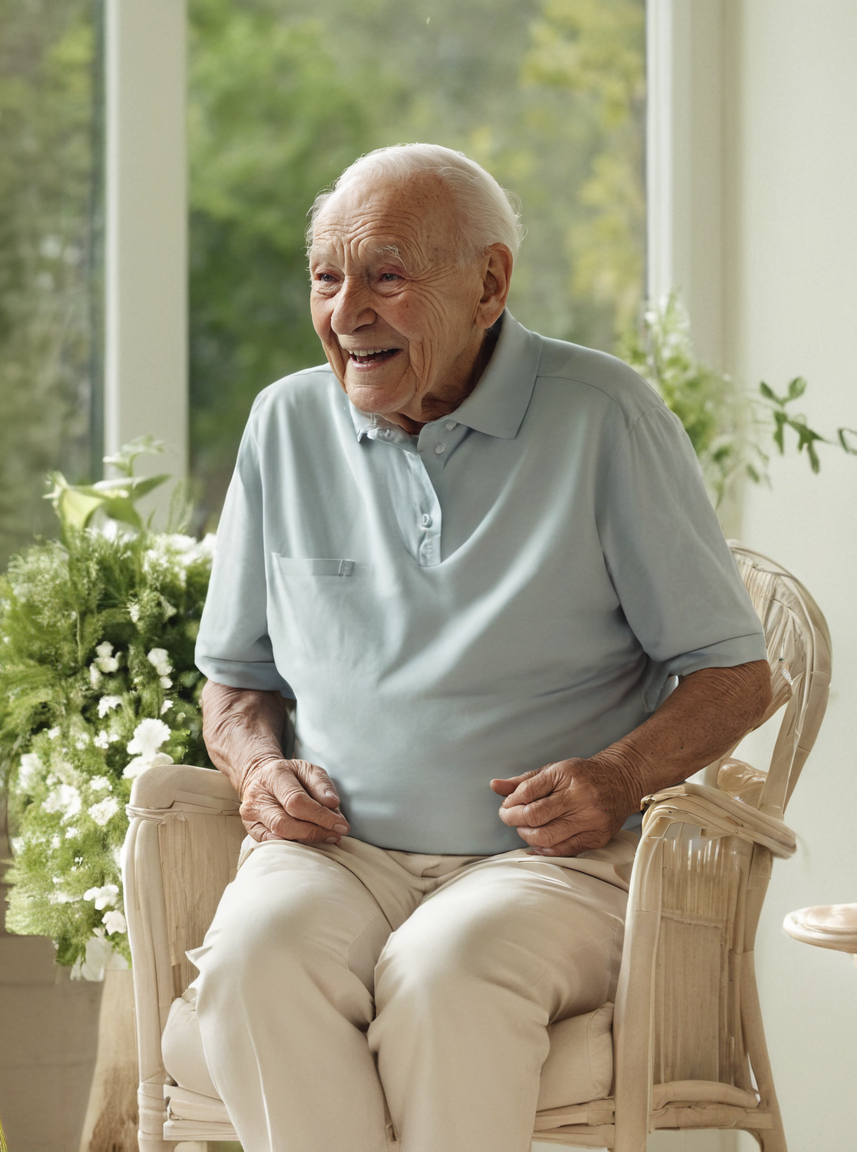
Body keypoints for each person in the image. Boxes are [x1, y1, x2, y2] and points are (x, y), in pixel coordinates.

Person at [191, 143, 771, 1152]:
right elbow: (235, 680)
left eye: (385, 275)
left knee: (446, 972)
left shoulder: (604, 416)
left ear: (488, 283)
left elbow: (735, 675)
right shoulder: (284, 424)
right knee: (248, 959)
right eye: (325, 279)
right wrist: (258, 769)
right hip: (340, 850)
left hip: (545, 863)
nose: (347, 312)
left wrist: (614, 776)